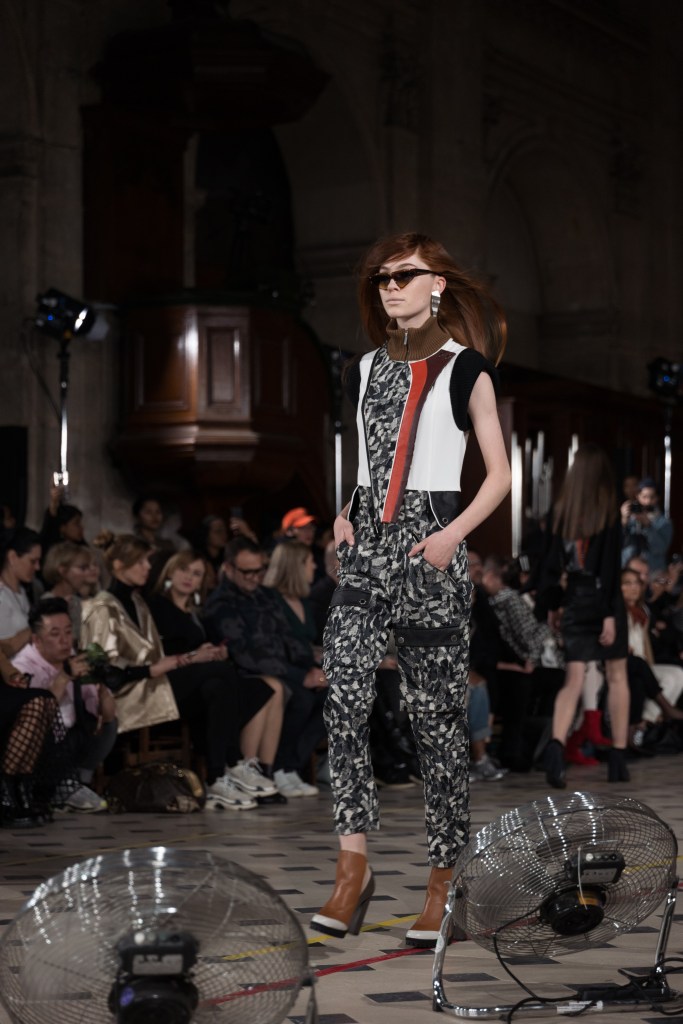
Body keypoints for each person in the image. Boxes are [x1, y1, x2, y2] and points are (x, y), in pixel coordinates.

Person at [309, 231, 511, 947]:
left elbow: (499, 476)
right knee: (343, 693)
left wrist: (452, 536)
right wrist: (344, 509)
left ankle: (443, 881)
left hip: (431, 545)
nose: (390, 287)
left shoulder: (466, 369)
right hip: (366, 545)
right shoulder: (364, 368)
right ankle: (352, 869)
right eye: (381, 279)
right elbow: (373, 460)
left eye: (404, 276)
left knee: (436, 722)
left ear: (437, 285)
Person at [148, 551, 285, 807]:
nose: (189, 577)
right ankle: (232, 762)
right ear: (170, 572)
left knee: (256, 687)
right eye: (184, 570)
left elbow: (206, 646)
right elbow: (157, 654)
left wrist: (215, 652)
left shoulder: (195, 612)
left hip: (202, 684)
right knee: (222, 676)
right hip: (168, 683)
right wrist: (196, 656)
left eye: (196, 574)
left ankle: (221, 778)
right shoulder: (157, 606)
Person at [203, 537, 326, 798]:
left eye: (259, 570)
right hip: (244, 674)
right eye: (246, 571)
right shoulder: (222, 603)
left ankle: (274, 770)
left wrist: (311, 667)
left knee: (326, 693)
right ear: (229, 568)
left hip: (278, 669)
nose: (254, 577)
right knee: (280, 692)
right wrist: (299, 675)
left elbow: (287, 637)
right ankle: (257, 770)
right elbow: (243, 653)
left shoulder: (264, 595)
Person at [538, 444, 631, 788]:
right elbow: (609, 567)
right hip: (604, 599)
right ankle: (618, 757)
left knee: (573, 678)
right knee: (617, 674)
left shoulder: (561, 511)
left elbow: (549, 565)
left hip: (574, 599)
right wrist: (608, 614)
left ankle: (556, 745)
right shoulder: (607, 511)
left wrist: (552, 605)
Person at [11, 598, 114, 811]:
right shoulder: (22, 667)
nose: (65, 641)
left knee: (109, 724)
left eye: (68, 632)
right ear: (36, 640)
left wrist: (103, 689)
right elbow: (34, 716)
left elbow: (108, 716)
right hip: (40, 747)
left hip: (70, 740)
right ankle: (48, 789)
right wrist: (64, 677)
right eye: (55, 634)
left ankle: (78, 782)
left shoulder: (76, 658)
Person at [0, 528, 42, 655]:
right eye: (32, 561)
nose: (37, 567)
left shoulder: (23, 591)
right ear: (12, 557)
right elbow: (4, 649)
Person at [621, 477, 672, 570]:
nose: (648, 501)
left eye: (652, 497)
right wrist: (624, 520)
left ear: (657, 498)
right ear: (637, 496)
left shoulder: (664, 522)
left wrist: (648, 526)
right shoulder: (630, 518)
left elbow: (660, 549)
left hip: (653, 570)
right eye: (644, 497)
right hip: (629, 569)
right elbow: (617, 543)